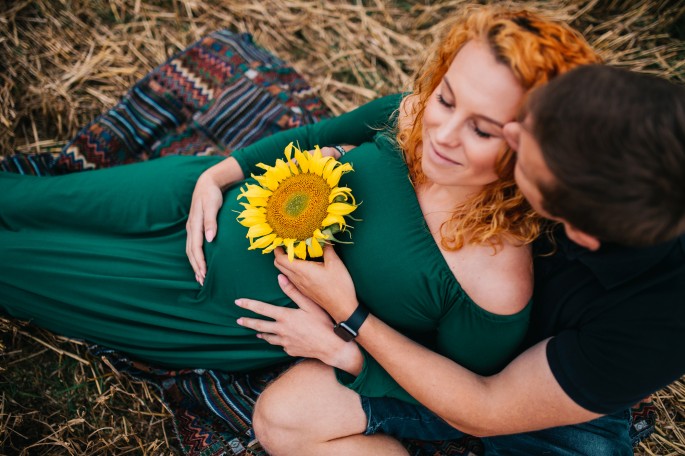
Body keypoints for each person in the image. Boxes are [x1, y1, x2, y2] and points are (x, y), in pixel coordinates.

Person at [0, 4, 599, 453]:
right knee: (25, 198)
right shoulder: (414, 116)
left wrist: (346, 344)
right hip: (201, 197)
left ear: (531, 148)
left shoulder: (494, 281)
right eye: (447, 99)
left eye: (483, 129)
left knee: (13, 264)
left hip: (196, 303)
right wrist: (218, 175)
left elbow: (456, 402)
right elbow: (312, 136)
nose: (442, 134)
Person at [238, 65, 685, 454]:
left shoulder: (655, 326)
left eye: (528, 155)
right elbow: (409, 118)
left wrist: (353, 325)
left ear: (580, 230)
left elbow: (487, 407)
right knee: (284, 419)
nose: (510, 134)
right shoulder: (609, 119)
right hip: (443, 328)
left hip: (531, 391)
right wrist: (342, 156)